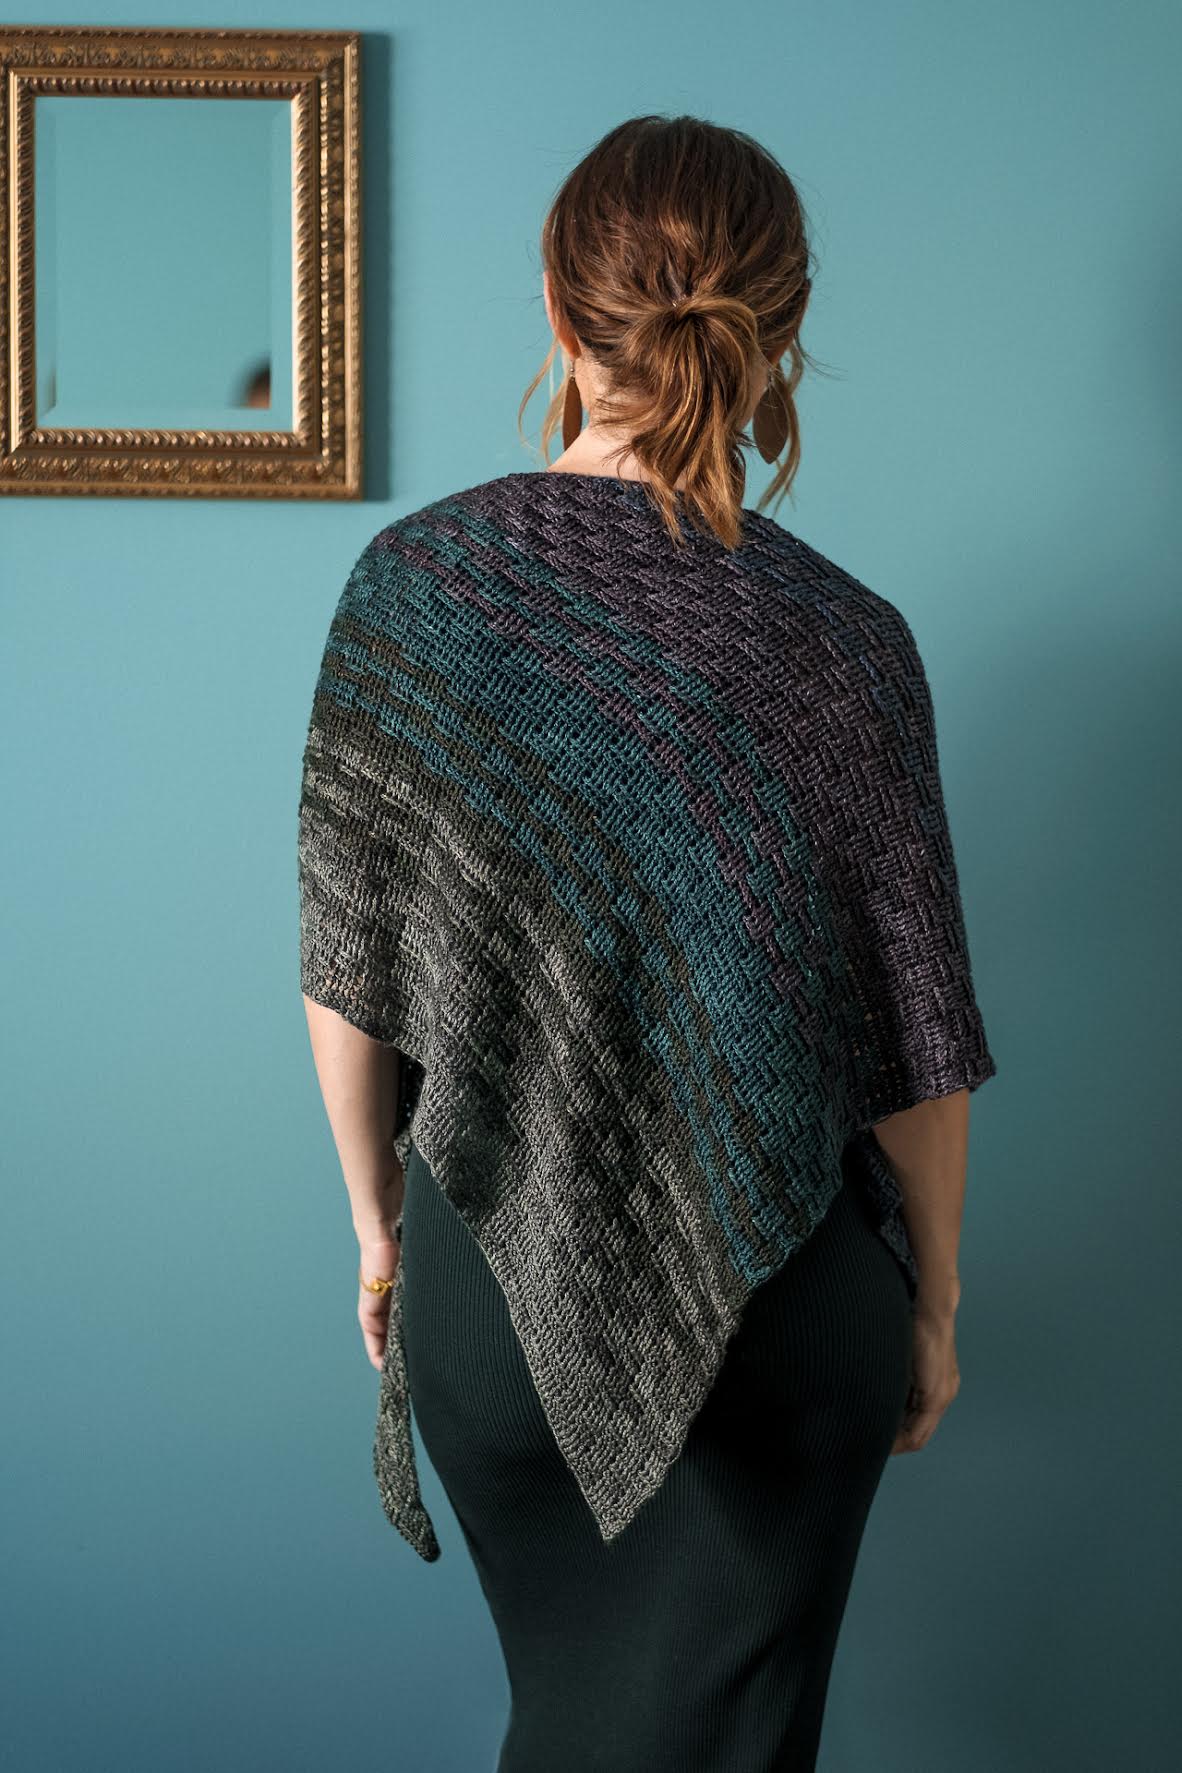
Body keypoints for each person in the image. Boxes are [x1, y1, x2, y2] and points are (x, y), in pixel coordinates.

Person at [298, 113, 997, 1773]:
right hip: (781, 1297)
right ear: (781, 329)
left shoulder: (414, 591)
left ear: (558, 307)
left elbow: (348, 973)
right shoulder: (845, 644)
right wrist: (936, 1295)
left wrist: (381, 1236)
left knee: (571, 1726)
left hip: (494, 1285)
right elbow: (914, 1043)